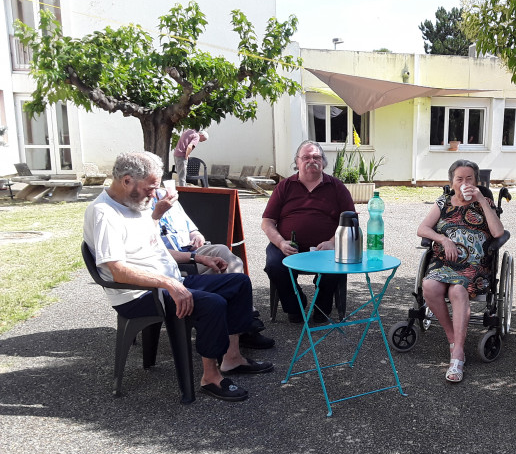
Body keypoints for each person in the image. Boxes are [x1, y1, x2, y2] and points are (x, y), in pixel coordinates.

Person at [84, 151, 273, 403]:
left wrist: (197, 258)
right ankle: (210, 377)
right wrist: (168, 283)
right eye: (150, 187)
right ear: (127, 180)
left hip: (168, 283)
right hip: (139, 294)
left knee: (237, 282)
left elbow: (154, 251)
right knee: (211, 304)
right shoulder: (104, 214)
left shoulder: (135, 204)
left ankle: (232, 358)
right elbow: (118, 270)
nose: (154, 193)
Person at [416, 159, 506, 383]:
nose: (464, 183)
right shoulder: (443, 202)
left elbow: (497, 233)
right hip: (444, 262)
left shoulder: (484, 202)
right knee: (429, 286)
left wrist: (482, 202)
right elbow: (422, 229)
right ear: (452, 182)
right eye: (460, 179)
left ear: (476, 182)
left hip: (475, 264)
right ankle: (452, 338)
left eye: (470, 179)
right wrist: (442, 239)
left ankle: (457, 354)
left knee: (457, 291)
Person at [151, 194, 274, 349]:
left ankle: (245, 319)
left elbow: (192, 228)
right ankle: (243, 326)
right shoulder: (137, 206)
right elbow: (148, 249)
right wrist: (157, 213)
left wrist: (197, 236)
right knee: (225, 279)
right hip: (171, 259)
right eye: (151, 184)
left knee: (225, 255)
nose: (154, 189)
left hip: (189, 248)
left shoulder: (166, 196)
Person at [261, 140, 355, 324]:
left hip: (325, 248)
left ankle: (321, 309)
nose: (311, 160)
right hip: (288, 246)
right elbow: (267, 222)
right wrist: (280, 242)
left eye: (316, 157)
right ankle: (295, 306)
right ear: (297, 162)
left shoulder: (337, 187)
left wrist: (333, 243)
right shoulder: (285, 187)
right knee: (275, 266)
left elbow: (351, 222)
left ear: (323, 162)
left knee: (334, 265)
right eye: (306, 157)